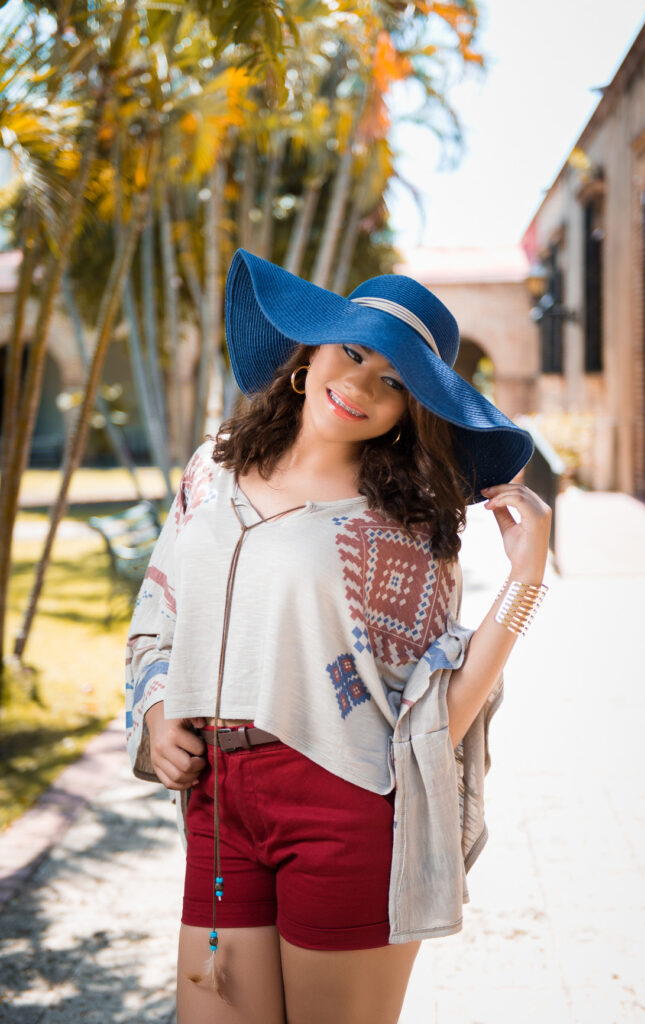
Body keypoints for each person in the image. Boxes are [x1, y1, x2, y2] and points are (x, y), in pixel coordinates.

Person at [125, 248, 551, 1024]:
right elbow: (159, 614)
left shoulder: (405, 525)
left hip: (342, 804)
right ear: (308, 351)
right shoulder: (209, 472)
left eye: (392, 380)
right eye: (351, 352)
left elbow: (435, 716)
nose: (358, 385)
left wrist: (523, 584)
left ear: (407, 411)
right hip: (217, 799)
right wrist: (157, 714)